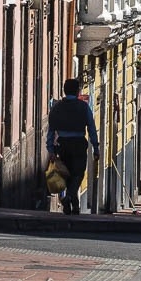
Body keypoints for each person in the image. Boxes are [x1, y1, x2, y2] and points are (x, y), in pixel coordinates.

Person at [46, 77, 100, 216]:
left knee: (67, 174)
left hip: (62, 145)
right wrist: (96, 147)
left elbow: (50, 131)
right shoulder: (83, 107)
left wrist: (51, 150)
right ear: (77, 92)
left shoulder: (56, 108)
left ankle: (74, 206)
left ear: (65, 91)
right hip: (78, 144)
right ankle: (69, 197)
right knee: (78, 174)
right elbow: (91, 128)